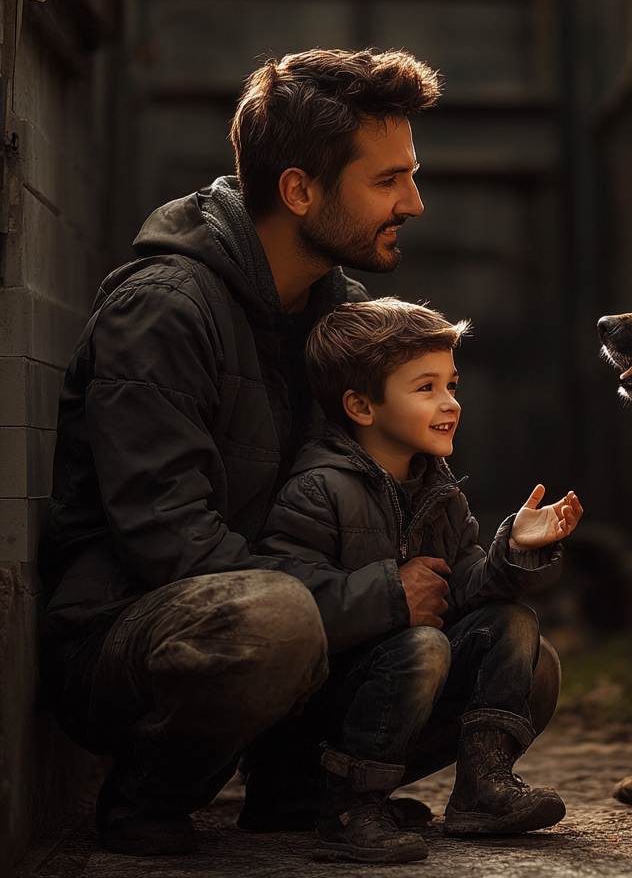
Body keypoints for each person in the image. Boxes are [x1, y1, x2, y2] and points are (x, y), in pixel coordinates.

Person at [36, 48, 562, 858]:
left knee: (521, 664)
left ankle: (302, 790)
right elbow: (173, 549)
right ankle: (147, 797)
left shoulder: (341, 316)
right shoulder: (164, 313)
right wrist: (378, 600)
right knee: (273, 620)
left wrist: (488, 567)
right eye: (387, 181)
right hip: (134, 640)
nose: (414, 203)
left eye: (410, 177)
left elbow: (398, 502)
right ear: (298, 191)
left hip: (303, 617)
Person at [254, 297, 583, 863]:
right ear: (360, 405)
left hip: (396, 690)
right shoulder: (318, 490)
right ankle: (344, 805)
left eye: (452, 384)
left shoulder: (439, 491)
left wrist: (513, 550)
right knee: (424, 645)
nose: (450, 402)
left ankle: (484, 785)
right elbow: (289, 604)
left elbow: (466, 588)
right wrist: (391, 595)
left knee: (510, 620)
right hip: (315, 721)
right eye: (425, 388)